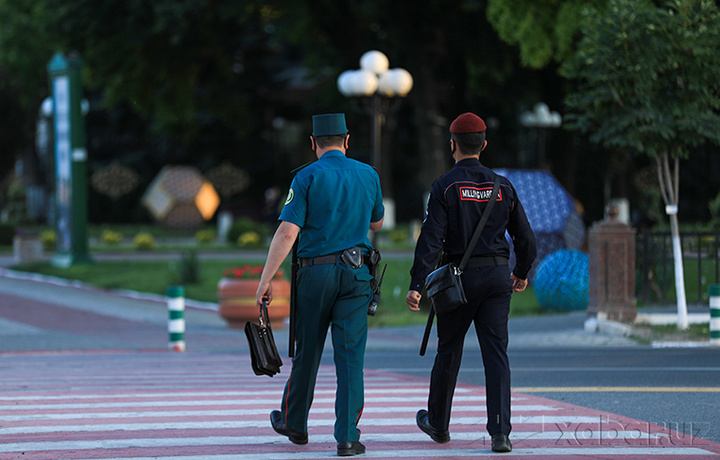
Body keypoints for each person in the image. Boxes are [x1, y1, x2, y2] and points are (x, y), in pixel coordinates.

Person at [405, 112, 536, 453]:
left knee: (449, 350)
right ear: (484, 144)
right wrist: (520, 273)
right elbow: (526, 239)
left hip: (457, 281)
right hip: (496, 277)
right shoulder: (502, 186)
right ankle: (500, 434)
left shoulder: (445, 187)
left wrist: (417, 283)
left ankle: (439, 424)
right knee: (496, 354)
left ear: (452, 145)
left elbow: (430, 240)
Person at [255, 113, 384, 457]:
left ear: (313, 143)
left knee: (308, 352)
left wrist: (266, 280)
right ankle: (347, 437)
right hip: (357, 276)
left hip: (315, 275)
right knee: (350, 358)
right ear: (347, 139)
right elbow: (378, 220)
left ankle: (295, 424)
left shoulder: (306, 176)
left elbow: (287, 232)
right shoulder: (368, 174)